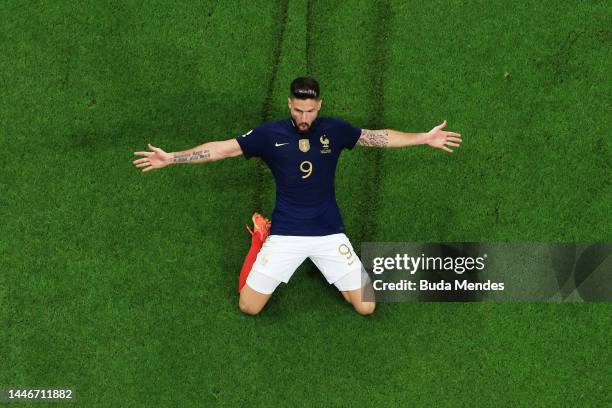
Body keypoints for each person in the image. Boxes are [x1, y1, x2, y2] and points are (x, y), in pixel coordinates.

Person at [132, 77, 462, 316]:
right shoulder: (268, 134)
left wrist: (424, 138)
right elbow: (221, 150)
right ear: (290, 104)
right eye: (299, 110)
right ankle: (260, 240)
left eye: (311, 111)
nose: (305, 118)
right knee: (249, 306)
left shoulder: (335, 130)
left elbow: (377, 137)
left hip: (329, 232)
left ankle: (328, 267)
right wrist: (173, 157)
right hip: (286, 234)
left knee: (366, 306)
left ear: (319, 106)